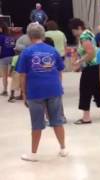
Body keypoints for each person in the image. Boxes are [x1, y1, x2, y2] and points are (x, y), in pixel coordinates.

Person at [16, 22, 67, 162]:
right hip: (54, 89)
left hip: (35, 91)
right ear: (43, 34)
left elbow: (22, 75)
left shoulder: (26, 52)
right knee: (57, 120)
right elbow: (59, 70)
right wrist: (58, 86)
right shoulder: (53, 50)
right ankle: (63, 148)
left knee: (36, 123)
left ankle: (33, 153)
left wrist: (24, 93)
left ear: (29, 36)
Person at [68, 18, 100, 125]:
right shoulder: (89, 33)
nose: (73, 33)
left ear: (78, 28)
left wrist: (79, 62)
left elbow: (90, 53)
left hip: (90, 67)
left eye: (73, 30)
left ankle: (86, 117)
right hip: (97, 66)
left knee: (85, 90)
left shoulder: (84, 36)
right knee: (98, 89)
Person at [0, 22, 15, 96]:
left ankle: (5, 91)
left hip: (3, 57)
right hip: (12, 57)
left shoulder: (0, 37)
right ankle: (13, 91)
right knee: (13, 75)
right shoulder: (11, 36)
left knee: (4, 75)